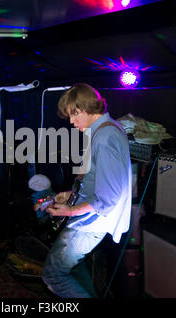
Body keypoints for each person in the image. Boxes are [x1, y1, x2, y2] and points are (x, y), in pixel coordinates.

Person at [42, 83, 132, 298]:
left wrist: (69, 211)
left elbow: (108, 197)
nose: (72, 122)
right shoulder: (104, 129)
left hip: (89, 224)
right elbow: (95, 179)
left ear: (87, 107)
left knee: (53, 275)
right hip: (89, 219)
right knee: (73, 267)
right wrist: (70, 195)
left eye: (75, 114)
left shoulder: (106, 136)